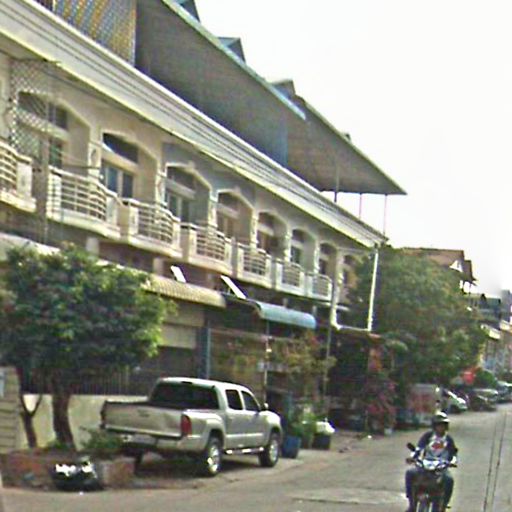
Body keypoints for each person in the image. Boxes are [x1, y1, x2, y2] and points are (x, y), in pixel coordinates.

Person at [405, 412, 458, 512]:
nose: (440, 428)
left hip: (440, 467)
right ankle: (412, 503)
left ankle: (443, 506)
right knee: (410, 473)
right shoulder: (428, 436)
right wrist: (412, 457)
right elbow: (418, 448)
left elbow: (454, 454)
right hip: (426, 465)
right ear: (434, 426)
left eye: (443, 425)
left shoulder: (448, 439)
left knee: (449, 480)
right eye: (438, 425)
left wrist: (452, 462)